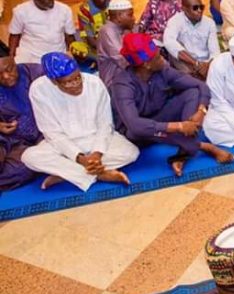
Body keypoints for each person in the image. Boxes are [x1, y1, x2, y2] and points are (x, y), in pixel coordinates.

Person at [110, 33, 234, 177]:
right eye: (158, 56)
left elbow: (200, 86)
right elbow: (134, 125)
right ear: (146, 64)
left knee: (192, 92)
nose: (162, 58)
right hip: (136, 134)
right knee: (137, 129)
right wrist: (180, 127)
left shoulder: (162, 69)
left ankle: (185, 147)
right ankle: (202, 147)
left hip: (159, 121)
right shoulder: (122, 84)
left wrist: (201, 111)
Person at [21, 52, 138, 191]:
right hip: (62, 144)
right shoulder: (39, 89)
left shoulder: (94, 83)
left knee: (131, 152)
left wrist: (97, 154)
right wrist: (79, 158)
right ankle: (99, 174)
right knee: (29, 157)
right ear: (53, 81)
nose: (76, 84)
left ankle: (67, 174)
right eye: (69, 82)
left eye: (78, 77)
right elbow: (51, 133)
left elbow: (105, 124)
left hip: (95, 138)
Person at [0, 46, 43, 190]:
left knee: (25, 168)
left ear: (13, 58)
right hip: (8, 139)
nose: (5, 77)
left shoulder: (36, 73)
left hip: (42, 137)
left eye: (9, 69)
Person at [163, 0, 220, 80]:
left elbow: (215, 52)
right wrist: (195, 63)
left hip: (205, 63)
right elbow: (169, 42)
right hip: (186, 62)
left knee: (219, 63)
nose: (199, 10)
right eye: (195, 8)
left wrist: (206, 66)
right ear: (184, 9)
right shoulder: (175, 21)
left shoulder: (209, 23)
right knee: (174, 49)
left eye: (201, 7)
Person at [8, 0, 76, 64]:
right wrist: (11, 58)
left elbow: (69, 36)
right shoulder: (21, 10)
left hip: (57, 57)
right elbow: (14, 35)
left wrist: (76, 56)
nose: (49, 2)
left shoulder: (65, 10)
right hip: (29, 58)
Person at [97, 0, 135, 86]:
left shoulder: (125, 29)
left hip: (127, 76)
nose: (133, 18)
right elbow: (123, 60)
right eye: (130, 15)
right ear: (119, 16)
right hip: (113, 82)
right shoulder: (107, 31)